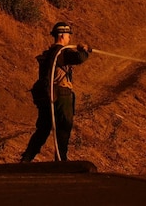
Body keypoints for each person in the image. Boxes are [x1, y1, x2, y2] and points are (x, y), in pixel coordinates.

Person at [19, 20, 92, 162]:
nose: (69, 38)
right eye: (68, 35)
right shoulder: (62, 52)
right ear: (62, 35)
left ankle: (27, 158)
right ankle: (61, 159)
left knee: (43, 128)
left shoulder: (48, 54)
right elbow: (79, 58)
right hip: (61, 94)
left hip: (46, 95)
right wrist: (85, 49)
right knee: (64, 126)